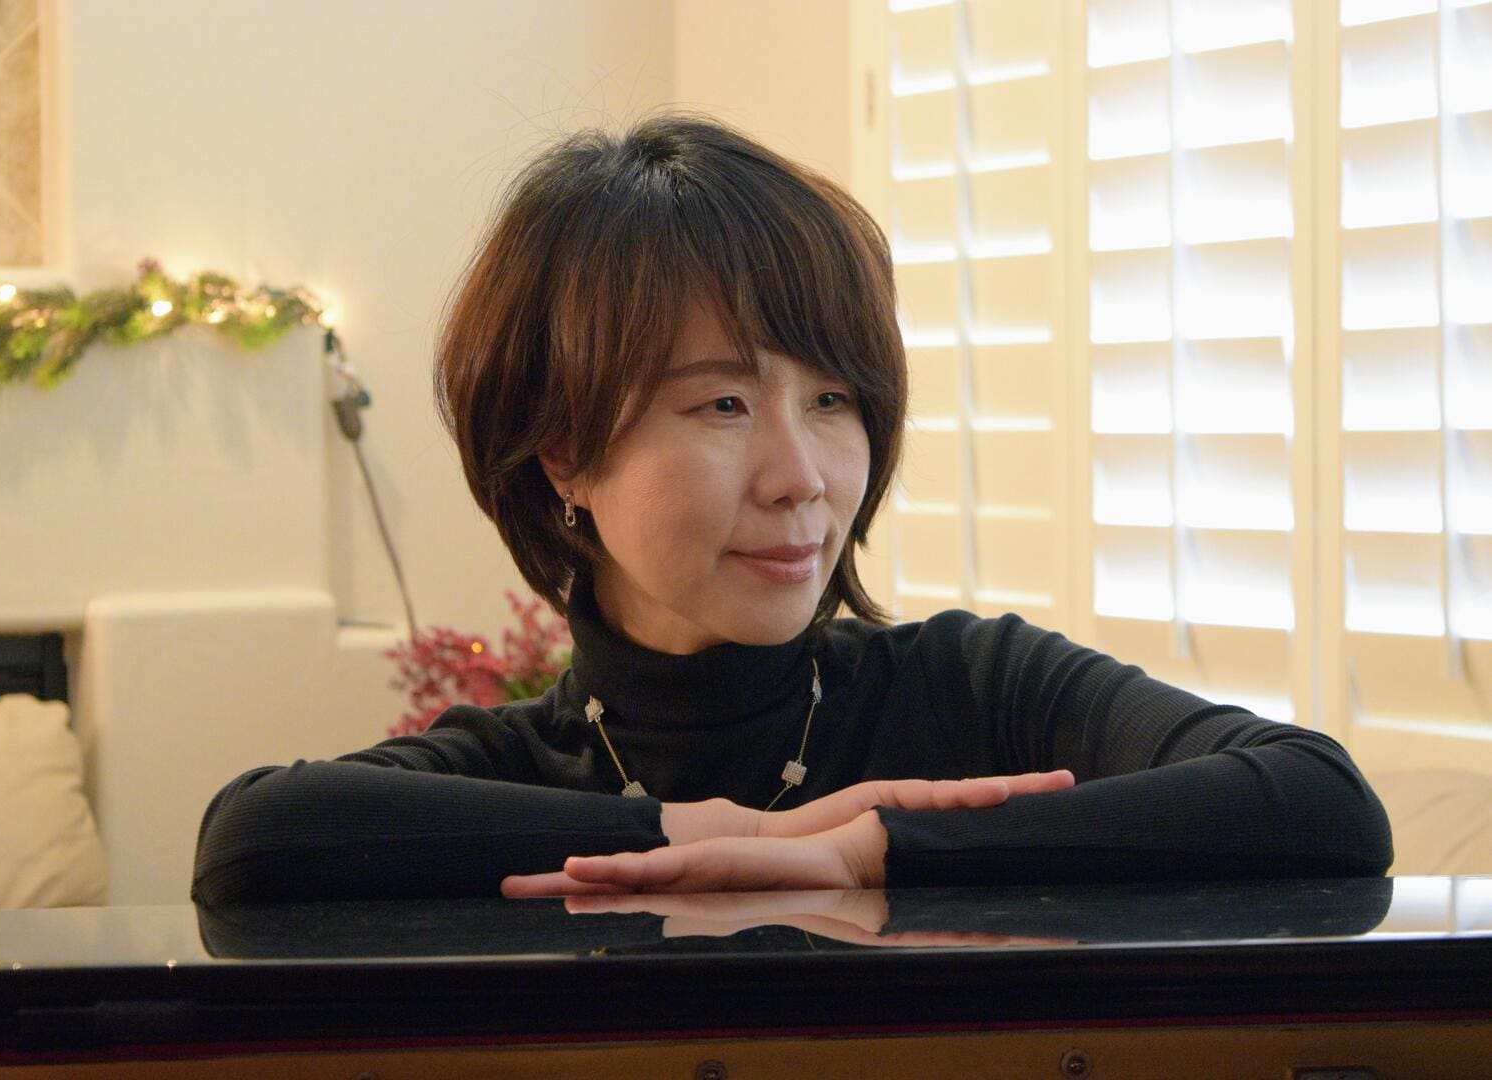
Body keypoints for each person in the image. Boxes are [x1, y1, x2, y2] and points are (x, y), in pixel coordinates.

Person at [191, 114, 1392, 905]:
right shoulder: (520, 769)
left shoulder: (973, 690)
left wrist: (867, 849)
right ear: (561, 451)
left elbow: (1317, 801)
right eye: (719, 404)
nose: (799, 473)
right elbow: (254, 841)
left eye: (831, 399)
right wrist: (722, 833)